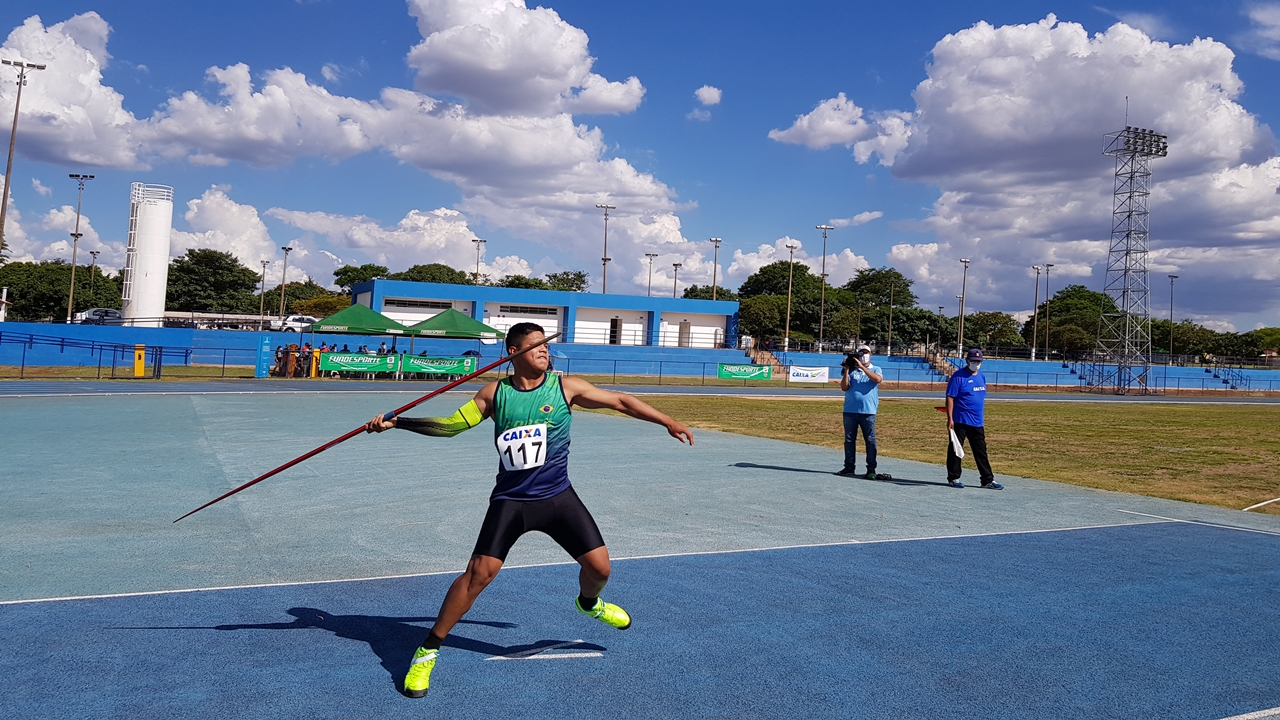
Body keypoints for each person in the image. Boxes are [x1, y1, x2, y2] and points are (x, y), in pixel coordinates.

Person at [365, 322, 694, 698]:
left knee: (600, 568)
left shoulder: (566, 387)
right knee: (478, 575)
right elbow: (451, 426)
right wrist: (399, 422)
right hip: (511, 501)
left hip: (557, 497)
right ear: (513, 353)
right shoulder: (494, 394)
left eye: (546, 346)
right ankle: (427, 650)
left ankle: (589, 603)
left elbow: (620, 401)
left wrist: (668, 421)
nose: (544, 351)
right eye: (535, 346)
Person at [945, 348, 1001, 489]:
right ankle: (954, 477)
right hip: (960, 420)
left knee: (981, 451)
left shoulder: (981, 376)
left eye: (978, 361)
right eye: (973, 361)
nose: (976, 363)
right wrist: (950, 418)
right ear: (967, 361)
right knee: (955, 450)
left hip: (977, 422)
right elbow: (950, 397)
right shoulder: (958, 377)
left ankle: (987, 480)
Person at [837, 345, 889, 480]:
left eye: (866, 353)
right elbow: (844, 387)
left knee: (870, 440)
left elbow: (877, 379)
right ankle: (849, 467)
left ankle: (871, 468)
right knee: (849, 440)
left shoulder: (876, 369)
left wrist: (862, 367)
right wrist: (847, 369)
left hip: (868, 411)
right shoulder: (852, 370)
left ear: (870, 355)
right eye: (861, 353)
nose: (864, 355)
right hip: (849, 410)